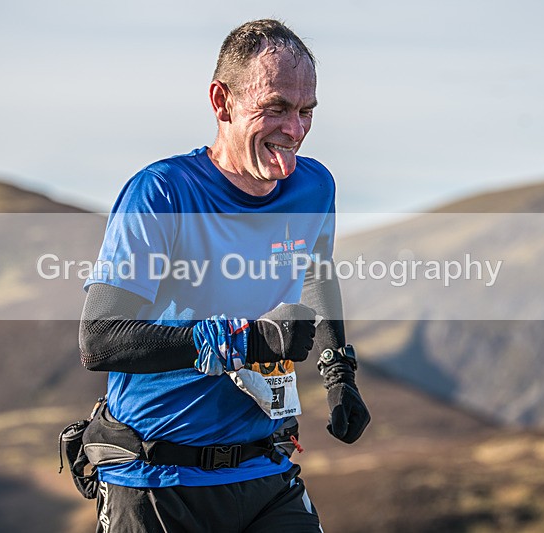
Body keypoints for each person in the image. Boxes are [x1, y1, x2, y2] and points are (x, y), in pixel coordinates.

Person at [79, 19, 370, 532]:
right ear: (222, 101)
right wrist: (246, 339)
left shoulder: (315, 187)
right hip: (157, 481)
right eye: (276, 108)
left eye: (306, 112)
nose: (296, 130)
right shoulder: (163, 194)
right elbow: (100, 340)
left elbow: (315, 274)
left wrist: (338, 373)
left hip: (265, 472)